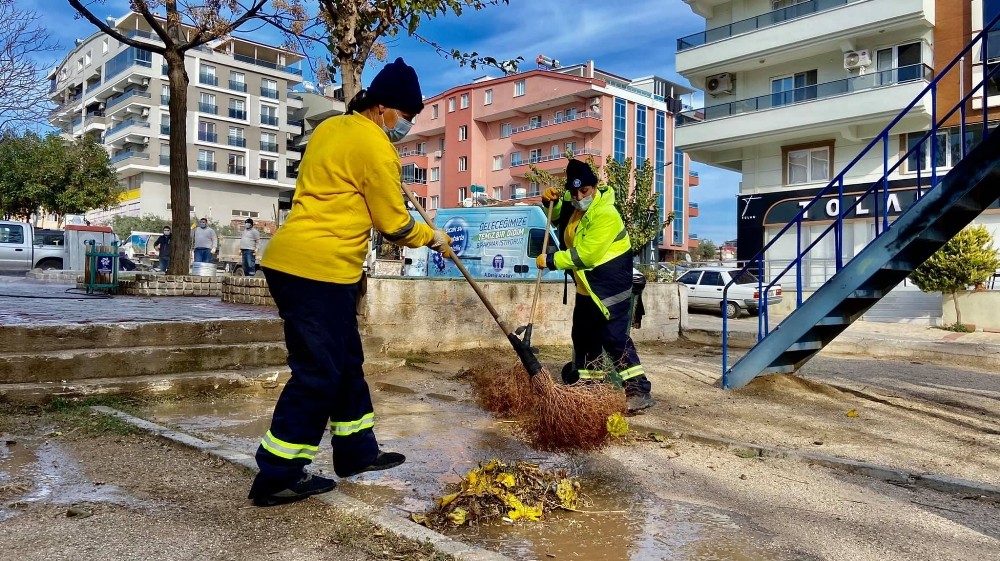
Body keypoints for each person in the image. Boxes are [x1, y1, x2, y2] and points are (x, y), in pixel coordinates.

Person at [248, 57, 452, 507]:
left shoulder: (330, 130)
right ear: (383, 108)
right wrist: (433, 237)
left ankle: (357, 452)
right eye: (406, 116)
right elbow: (394, 225)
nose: (406, 126)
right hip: (315, 268)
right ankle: (277, 475)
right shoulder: (375, 145)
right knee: (318, 372)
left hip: (308, 263)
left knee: (345, 362)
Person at [536, 159, 656, 413]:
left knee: (613, 338)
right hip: (587, 288)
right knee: (584, 339)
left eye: (585, 191)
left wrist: (551, 260)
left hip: (610, 286)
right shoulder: (575, 207)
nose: (580, 197)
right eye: (575, 192)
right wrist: (550, 202)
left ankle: (638, 389)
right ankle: (590, 388)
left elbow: (587, 255)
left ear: (594, 187)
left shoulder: (605, 214)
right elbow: (556, 215)